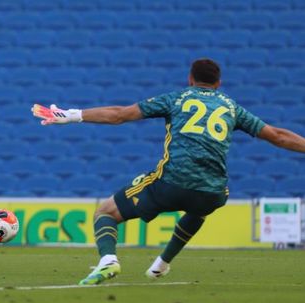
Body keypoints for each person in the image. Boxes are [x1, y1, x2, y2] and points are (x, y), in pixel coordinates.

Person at [32, 58, 305, 285]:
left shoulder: (176, 99)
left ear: (190, 79)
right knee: (200, 207)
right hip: (213, 192)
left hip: (171, 183)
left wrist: (74, 115)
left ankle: (108, 261)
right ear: (219, 83)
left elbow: (119, 115)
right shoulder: (233, 108)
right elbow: (278, 136)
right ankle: (161, 265)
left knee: (105, 213)